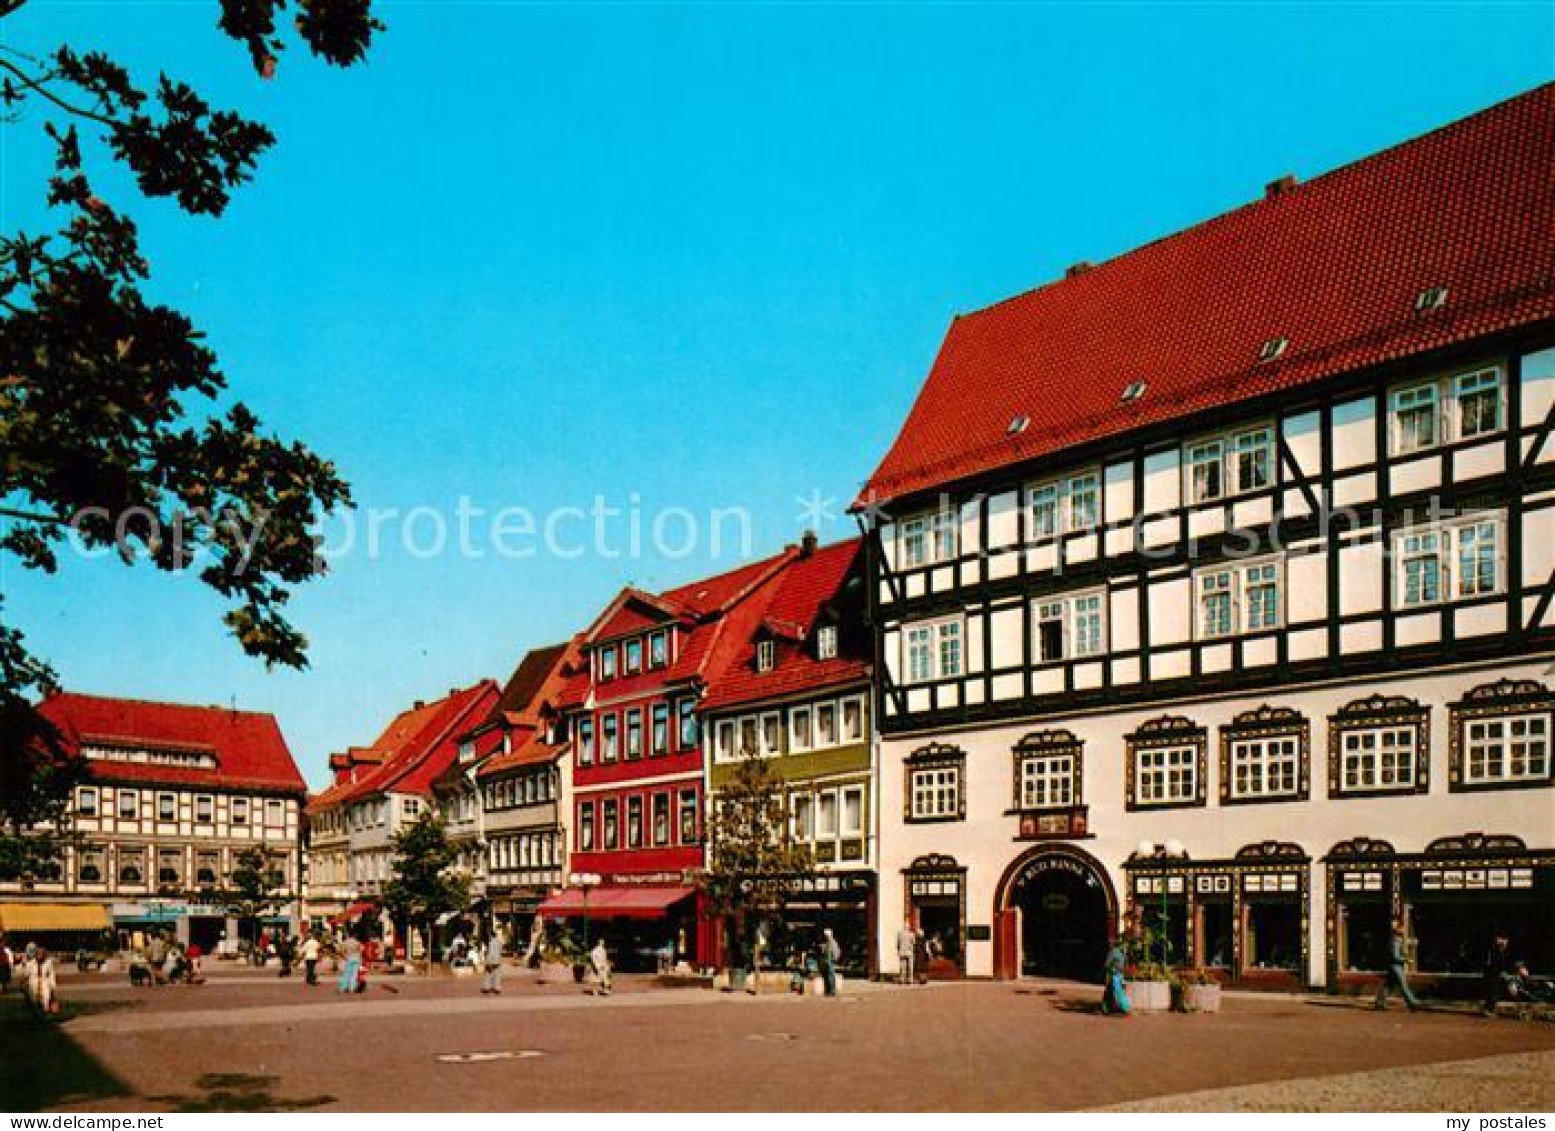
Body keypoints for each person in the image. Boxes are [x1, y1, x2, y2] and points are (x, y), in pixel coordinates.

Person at [1374, 927, 1419, 1012]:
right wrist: (1406, 960)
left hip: (1393, 966)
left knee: (1388, 985)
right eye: (1400, 935)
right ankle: (1412, 1003)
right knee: (1403, 984)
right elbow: (1395, 956)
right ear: (1397, 935)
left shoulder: (1393, 942)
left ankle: (1380, 1002)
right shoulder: (1395, 943)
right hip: (1396, 967)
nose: (1401, 937)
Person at [1482, 932, 1527, 1017]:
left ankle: (1522, 1010)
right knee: (1494, 984)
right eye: (1497, 939)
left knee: (1515, 987)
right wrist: (1501, 974)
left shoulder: (1513, 950)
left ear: (1506, 940)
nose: (1498, 941)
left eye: (1500, 939)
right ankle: (1488, 1009)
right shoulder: (1492, 951)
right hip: (1495, 976)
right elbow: (1489, 967)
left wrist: (1521, 969)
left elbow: (1519, 964)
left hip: (1511, 977)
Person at [1101, 937, 1132, 1016]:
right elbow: (1108, 964)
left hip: (1116, 975)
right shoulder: (1117, 953)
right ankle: (1106, 1009)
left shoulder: (1118, 953)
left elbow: (1108, 964)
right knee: (1112, 992)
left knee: (1116, 992)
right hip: (1116, 975)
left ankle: (1121, 1008)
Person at [895, 917, 919, 986]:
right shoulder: (911, 934)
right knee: (910, 966)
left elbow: (898, 943)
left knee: (903, 966)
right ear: (908, 927)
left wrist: (898, 950)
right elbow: (914, 943)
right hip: (909, 951)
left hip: (902, 951)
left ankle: (902, 979)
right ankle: (910, 980)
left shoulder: (899, 934)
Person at [481, 931, 503, 995]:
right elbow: (500, 951)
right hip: (497, 960)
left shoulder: (490, 943)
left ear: (491, 935)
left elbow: (490, 953)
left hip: (491, 960)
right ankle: (496, 988)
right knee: (497, 974)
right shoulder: (499, 942)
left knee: (488, 974)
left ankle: (487, 987)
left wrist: (488, 962)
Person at [820, 928, 841, 996]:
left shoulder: (832, 942)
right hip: (827, 960)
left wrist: (833, 959)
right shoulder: (829, 942)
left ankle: (832, 991)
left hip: (829, 961)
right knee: (828, 976)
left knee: (830, 976)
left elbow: (835, 952)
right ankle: (829, 990)